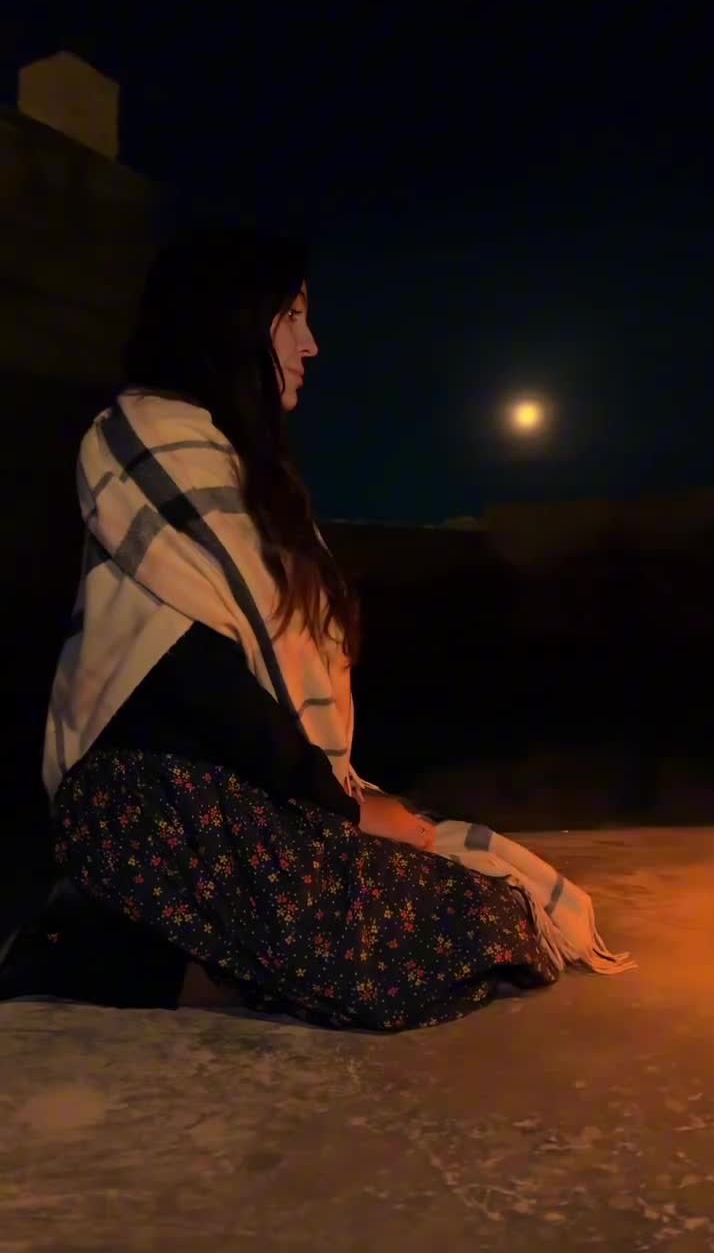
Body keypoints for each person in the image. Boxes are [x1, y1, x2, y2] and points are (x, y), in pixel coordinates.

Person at [0, 228, 560, 1028]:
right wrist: (342, 808)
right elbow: (195, 676)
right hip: (149, 801)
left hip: (236, 789)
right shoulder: (146, 441)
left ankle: (173, 959)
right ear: (232, 320)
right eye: (291, 316)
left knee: (487, 907)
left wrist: (338, 804)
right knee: (427, 946)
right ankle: (92, 951)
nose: (311, 344)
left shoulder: (236, 468)